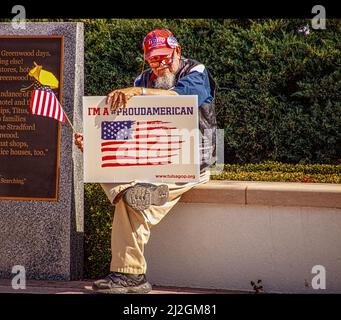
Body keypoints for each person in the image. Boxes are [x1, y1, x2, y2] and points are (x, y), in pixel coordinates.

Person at [75, 28, 217, 294]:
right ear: (146, 59)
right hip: (149, 161)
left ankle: (130, 275)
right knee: (106, 164)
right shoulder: (142, 80)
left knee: (130, 206)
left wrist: (137, 92)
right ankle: (130, 193)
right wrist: (94, 145)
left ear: (177, 51)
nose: (160, 63)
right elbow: (127, 130)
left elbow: (181, 100)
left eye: (164, 56)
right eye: (153, 59)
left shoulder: (195, 71)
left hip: (188, 161)